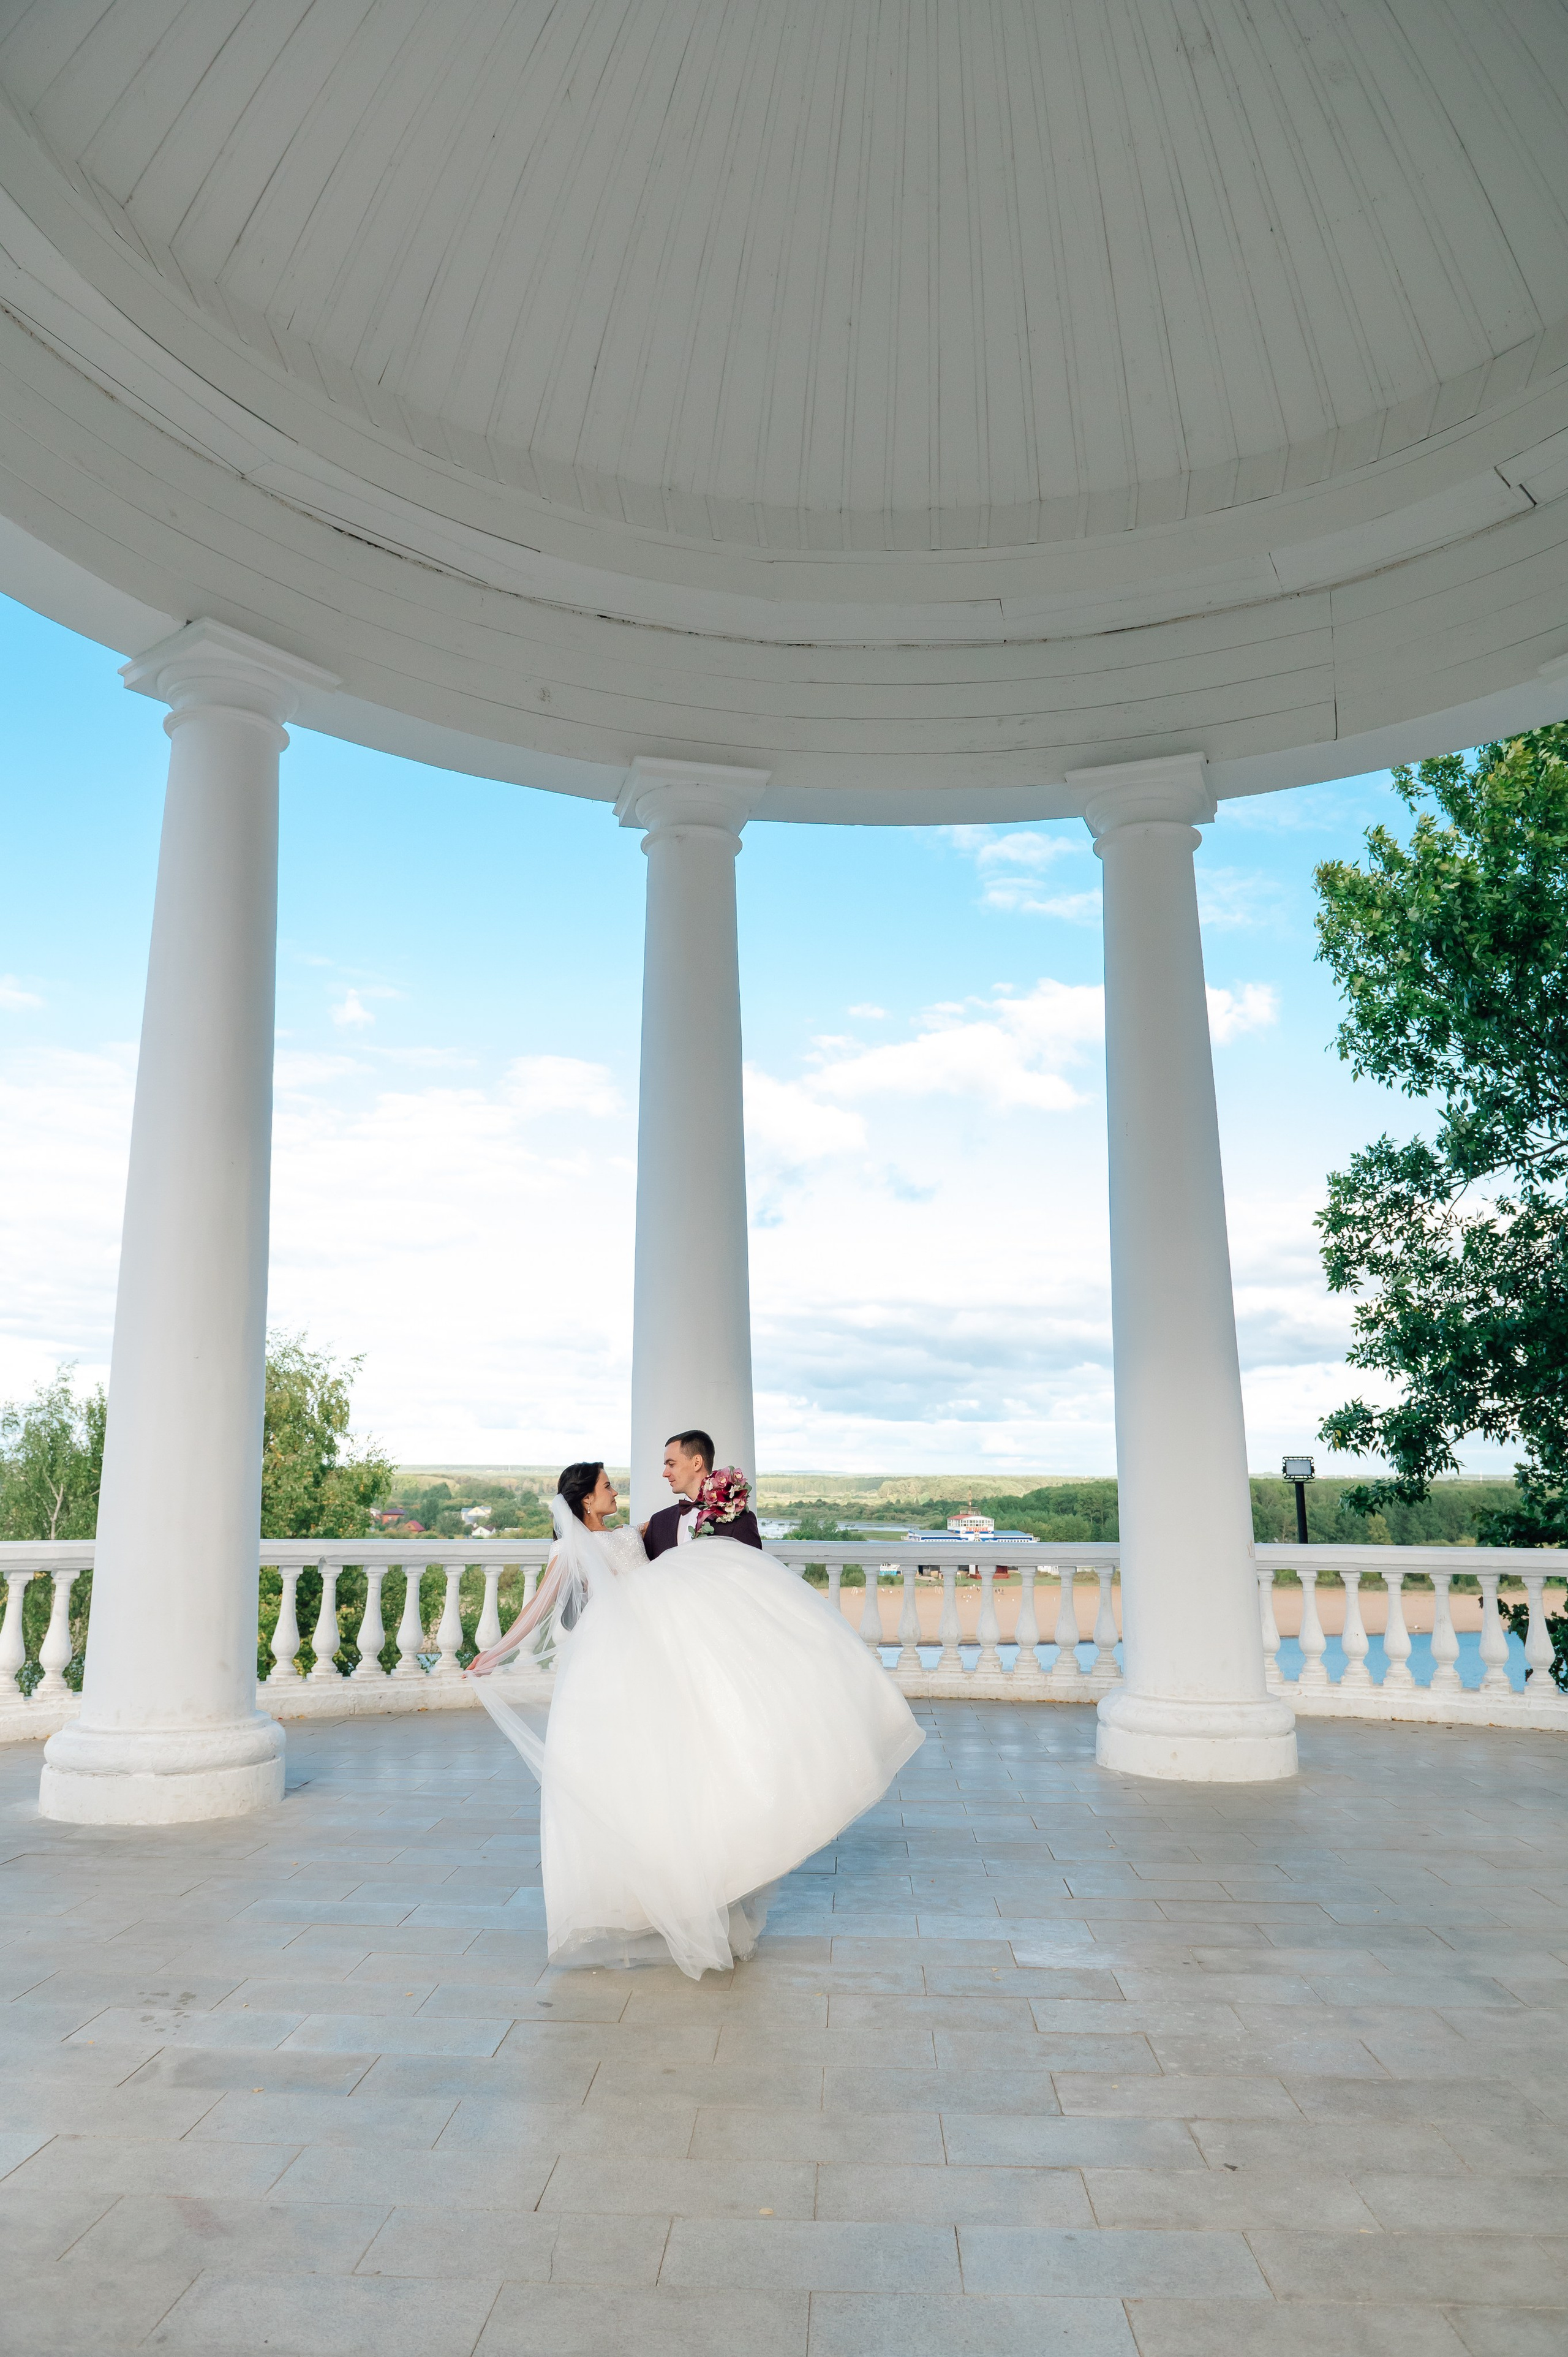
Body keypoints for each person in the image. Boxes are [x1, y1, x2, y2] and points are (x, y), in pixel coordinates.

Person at [465, 1458, 923, 1978]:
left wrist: (715, 1501)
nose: (617, 1491)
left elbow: (672, 1527)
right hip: (624, 1658)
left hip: (666, 1647)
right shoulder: (572, 1549)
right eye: (608, 1487)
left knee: (701, 1752)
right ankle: (660, 1887)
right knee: (646, 1770)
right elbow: (539, 1606)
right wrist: (494, 1653)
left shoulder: (624, 1531)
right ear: (586, 1501)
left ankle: (710, 1872)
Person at [641, 1427, 762, 1558]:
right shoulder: (658, 1521)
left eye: (671, 1464)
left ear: (697, 1463)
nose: (665, 1473)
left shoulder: (741, 1521)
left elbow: (753, 1574)